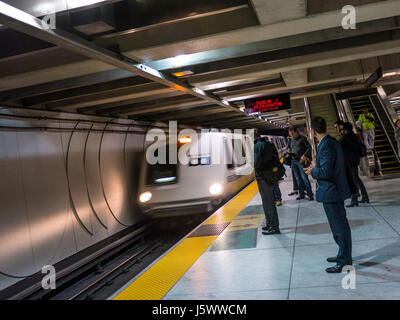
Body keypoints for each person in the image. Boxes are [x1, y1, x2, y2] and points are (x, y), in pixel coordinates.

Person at [304, 117, 352, 273]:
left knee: (339, 227)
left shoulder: (326, 145)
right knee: (339, 226)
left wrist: (313, 171)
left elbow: (326, 172)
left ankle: (344, 261)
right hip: (334, 190)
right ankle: (342, 254)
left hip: (332, 191)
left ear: (312, 131)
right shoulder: (330, 142)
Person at [254, 130, 280, 235]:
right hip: (271, 176)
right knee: (270, 202)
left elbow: (255, 163)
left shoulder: (256, 146)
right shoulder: (269, 144)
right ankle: (270, 224)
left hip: (263, 178)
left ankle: (273, 227)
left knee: (268, 203)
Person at [339, 122, 370, 207]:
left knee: (352, 180)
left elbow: (339, 146)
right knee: (356, 179)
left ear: (346, 129)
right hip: (355, 160)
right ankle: (364, 196)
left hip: (349, 161)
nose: (341, 131)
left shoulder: (346, 138)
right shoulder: (354, 136)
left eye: (342, 129)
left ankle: (354, 199)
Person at [288, 126, 314, 201]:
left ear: (297, 132)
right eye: (290, 134)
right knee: (297, 179)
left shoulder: (303, 139)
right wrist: (289, 151)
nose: (292, 135)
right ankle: (301, 194)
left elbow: (309, 147)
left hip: (301, 162)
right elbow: (289, 148)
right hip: (293, 162)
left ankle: (310, 194)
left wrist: (304, 155)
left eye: (293, 133)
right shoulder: (290, 140)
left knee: (304, 178)